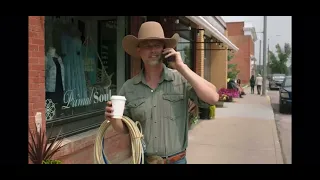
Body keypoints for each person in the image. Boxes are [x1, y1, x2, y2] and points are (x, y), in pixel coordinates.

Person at [105, 21, 219, 164]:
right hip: (145, 161)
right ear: (139, 50)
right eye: (147, 45)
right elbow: (124, 129)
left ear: (164, 49)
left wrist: (181, 67)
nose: (152, 50)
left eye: (157, 45)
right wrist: (113, 118)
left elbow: (213, 98)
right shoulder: (129, 88)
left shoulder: (180, 80)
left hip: (176, 160)